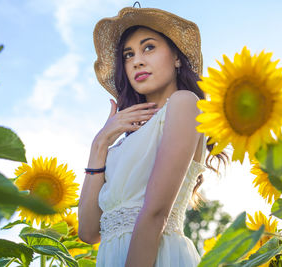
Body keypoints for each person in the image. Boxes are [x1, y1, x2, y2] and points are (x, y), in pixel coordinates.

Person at [78, 5, 228, 267]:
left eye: (149, 47)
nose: (137, 60)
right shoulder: (117, 148)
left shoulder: (184, 103)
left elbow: (155, 212)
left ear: (177, 58)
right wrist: (100, 143)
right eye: (128, 54)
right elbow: (89, 232)